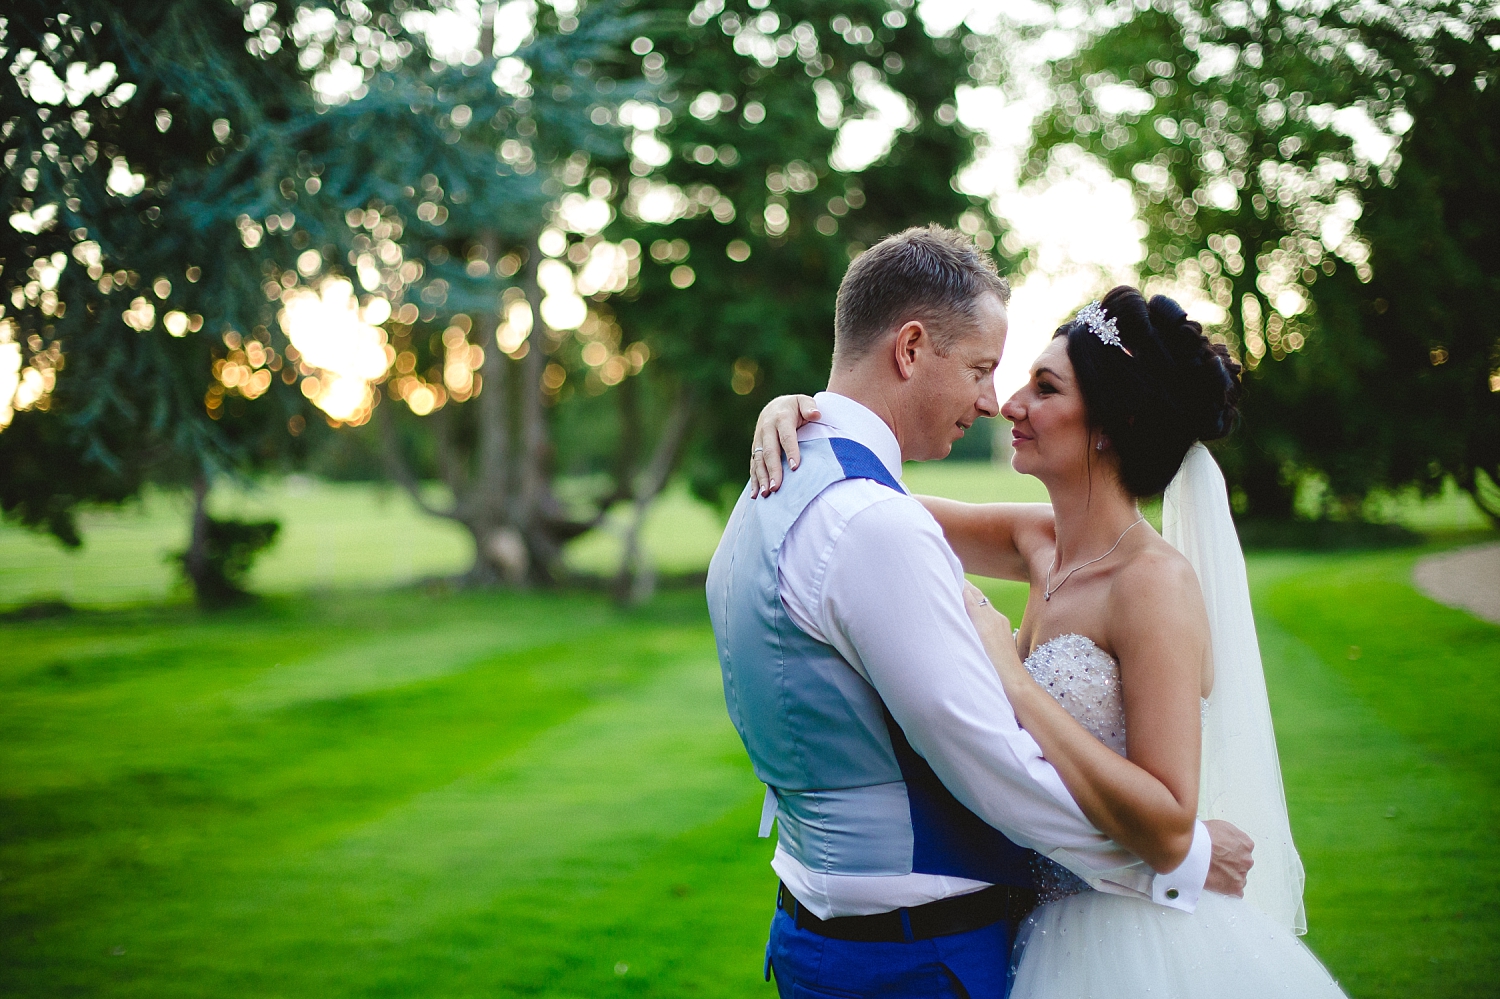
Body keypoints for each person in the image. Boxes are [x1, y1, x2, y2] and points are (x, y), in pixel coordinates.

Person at [750, 283, 1349, 997]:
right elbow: (861, 503)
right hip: (1031, 926)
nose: (1008, 404)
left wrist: (1018, 683)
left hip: (1128, 943)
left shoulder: (1152, 585)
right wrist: (797, 414)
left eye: (1044, 388)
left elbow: (1168, 818)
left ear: (1109, 422)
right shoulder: (1037, 540)